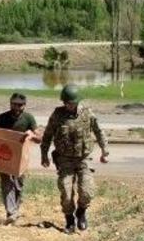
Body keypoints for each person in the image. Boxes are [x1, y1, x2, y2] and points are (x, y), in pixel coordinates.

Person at [40, 85, 109, 233]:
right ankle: (70, 219)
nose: (69, 106)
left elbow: (99, 131)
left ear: (77, 102)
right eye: (66, 103)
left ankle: (81, 212)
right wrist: (44, 154)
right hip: (64, 159)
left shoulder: (87, 113)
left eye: (72, 103)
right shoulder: (57, 115)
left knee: (87, 191)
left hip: (84, 158)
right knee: (66, 193)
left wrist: (104, 150)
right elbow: (47, 135)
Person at [0, 93, 40, 224]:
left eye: (20, 105)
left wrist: (31, 136)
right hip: (4, 156)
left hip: (21, 158)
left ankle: (15, 210)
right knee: (7, 183)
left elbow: (39, 138)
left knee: (18, 185)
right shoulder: (2, 118)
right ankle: (11, 212)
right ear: (10, 103)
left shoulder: (28, 118)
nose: (17, 107)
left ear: (24, 105)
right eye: (14, 104)